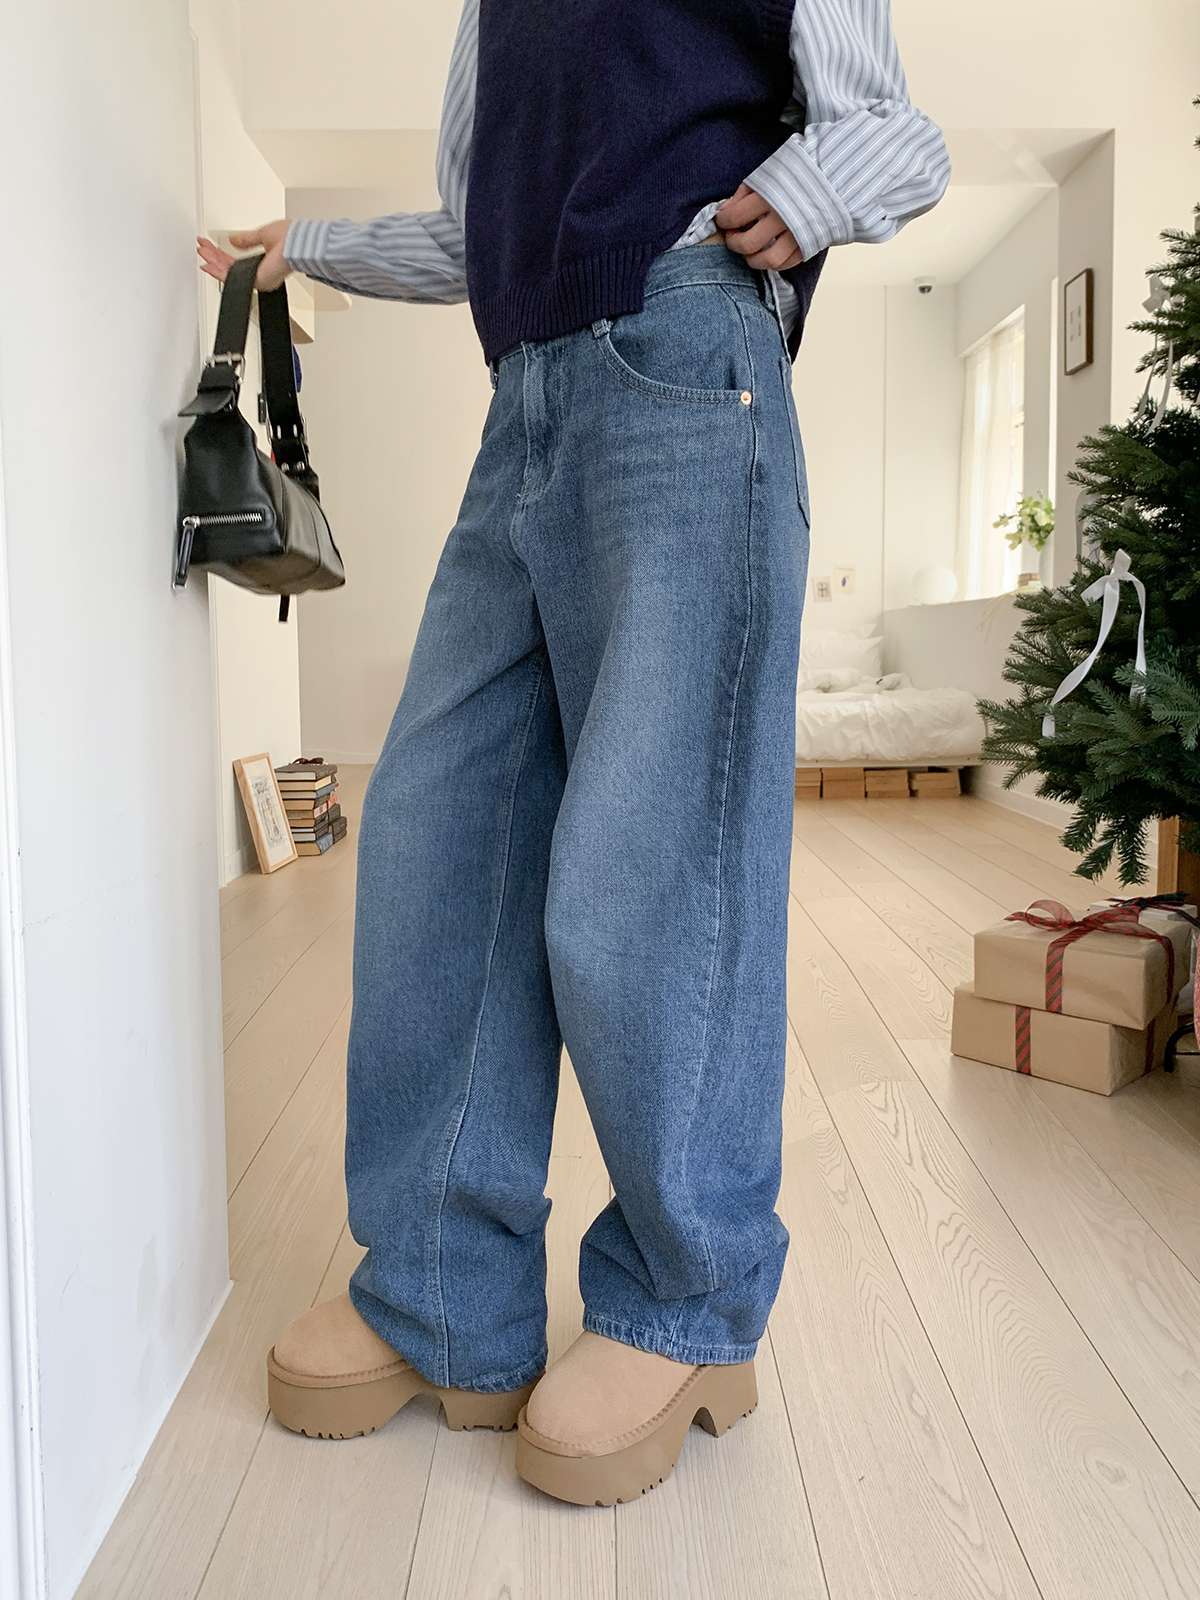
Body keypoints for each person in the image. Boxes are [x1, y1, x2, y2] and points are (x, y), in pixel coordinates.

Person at [199, 0, 948, 1507]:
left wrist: (810, 191)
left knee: (649, 869)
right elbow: (485, 230)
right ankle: (440, 1291)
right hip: (526, 405)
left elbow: (893, 132)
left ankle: (684, 1301)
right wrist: (310, 251)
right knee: (437, 831)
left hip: (686, 361)